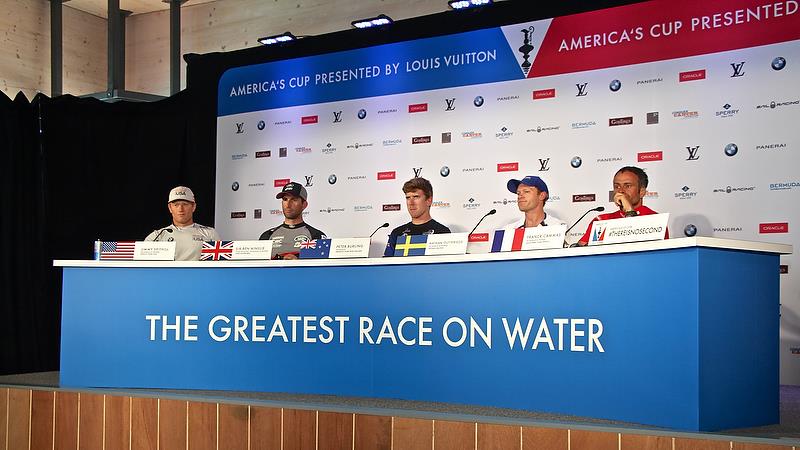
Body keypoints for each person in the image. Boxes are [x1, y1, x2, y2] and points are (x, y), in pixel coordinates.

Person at [577, 166, 668, 246]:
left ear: (642, 192)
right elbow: (581, 251)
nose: (621, 191)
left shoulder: (656, 221)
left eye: (627, 186)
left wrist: (629, 210)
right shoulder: (601, 220)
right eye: (617, 186)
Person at [145, 186, 220, 261]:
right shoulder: (157, 236)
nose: (181, 209)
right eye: (176, 205)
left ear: (193, 207)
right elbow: (144, 265)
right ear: (170, 208)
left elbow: (220, 265)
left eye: (185, 204)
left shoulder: (210, 234)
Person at [384, 177, 451, 256]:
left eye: (416, 197)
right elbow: (388, 265)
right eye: (408, 198)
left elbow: (445, 266)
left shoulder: (442, 232)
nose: (411, 203)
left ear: (429, 200)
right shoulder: (397, 233)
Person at [259, 182, 326, 259]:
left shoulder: (316, 236)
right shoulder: (266, 236)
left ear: (304, 204)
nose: (288, 205)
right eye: (285, 199)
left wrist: (297, 263)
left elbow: (320, 269)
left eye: (294, 199)